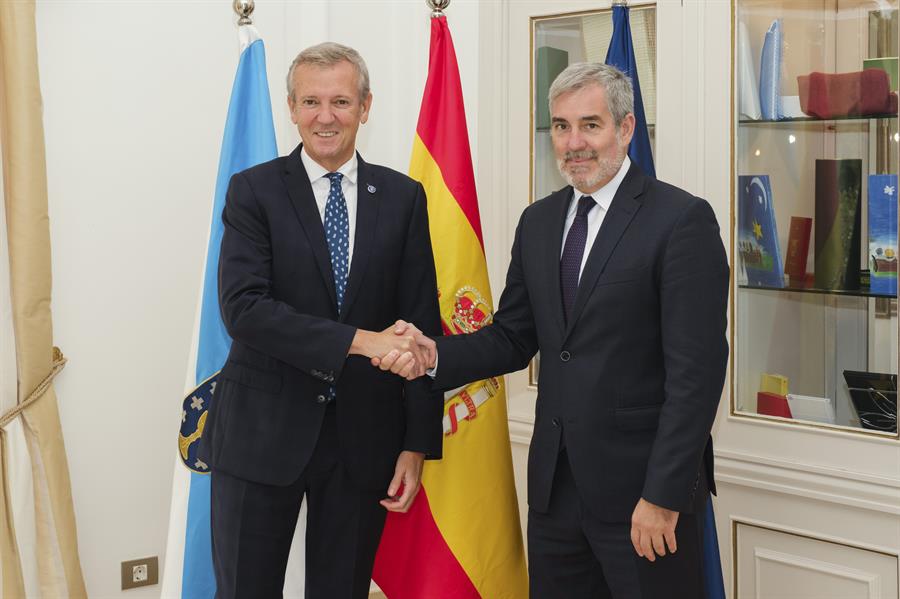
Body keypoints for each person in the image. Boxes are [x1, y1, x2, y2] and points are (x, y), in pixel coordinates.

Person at [378, 62, 729, 598]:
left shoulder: (681, 221)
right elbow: (514, 337)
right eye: (561, 127)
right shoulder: (539, 221)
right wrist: (432, 355)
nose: (573, 143)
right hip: (555, 496)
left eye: (590, 125)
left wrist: (663, 497)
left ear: (626, 128)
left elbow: (697, 376)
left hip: (642, 499)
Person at [198, 42, 442, 599]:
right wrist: (361, 341)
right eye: (310, 101)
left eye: (340, 101)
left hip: (364, 440)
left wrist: (416, 443)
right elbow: (245, 310)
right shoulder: (253, 191)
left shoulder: (403, 197)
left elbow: (422, 326)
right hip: (261, 435)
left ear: (365, 106)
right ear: (291, 106)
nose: (324, 116)